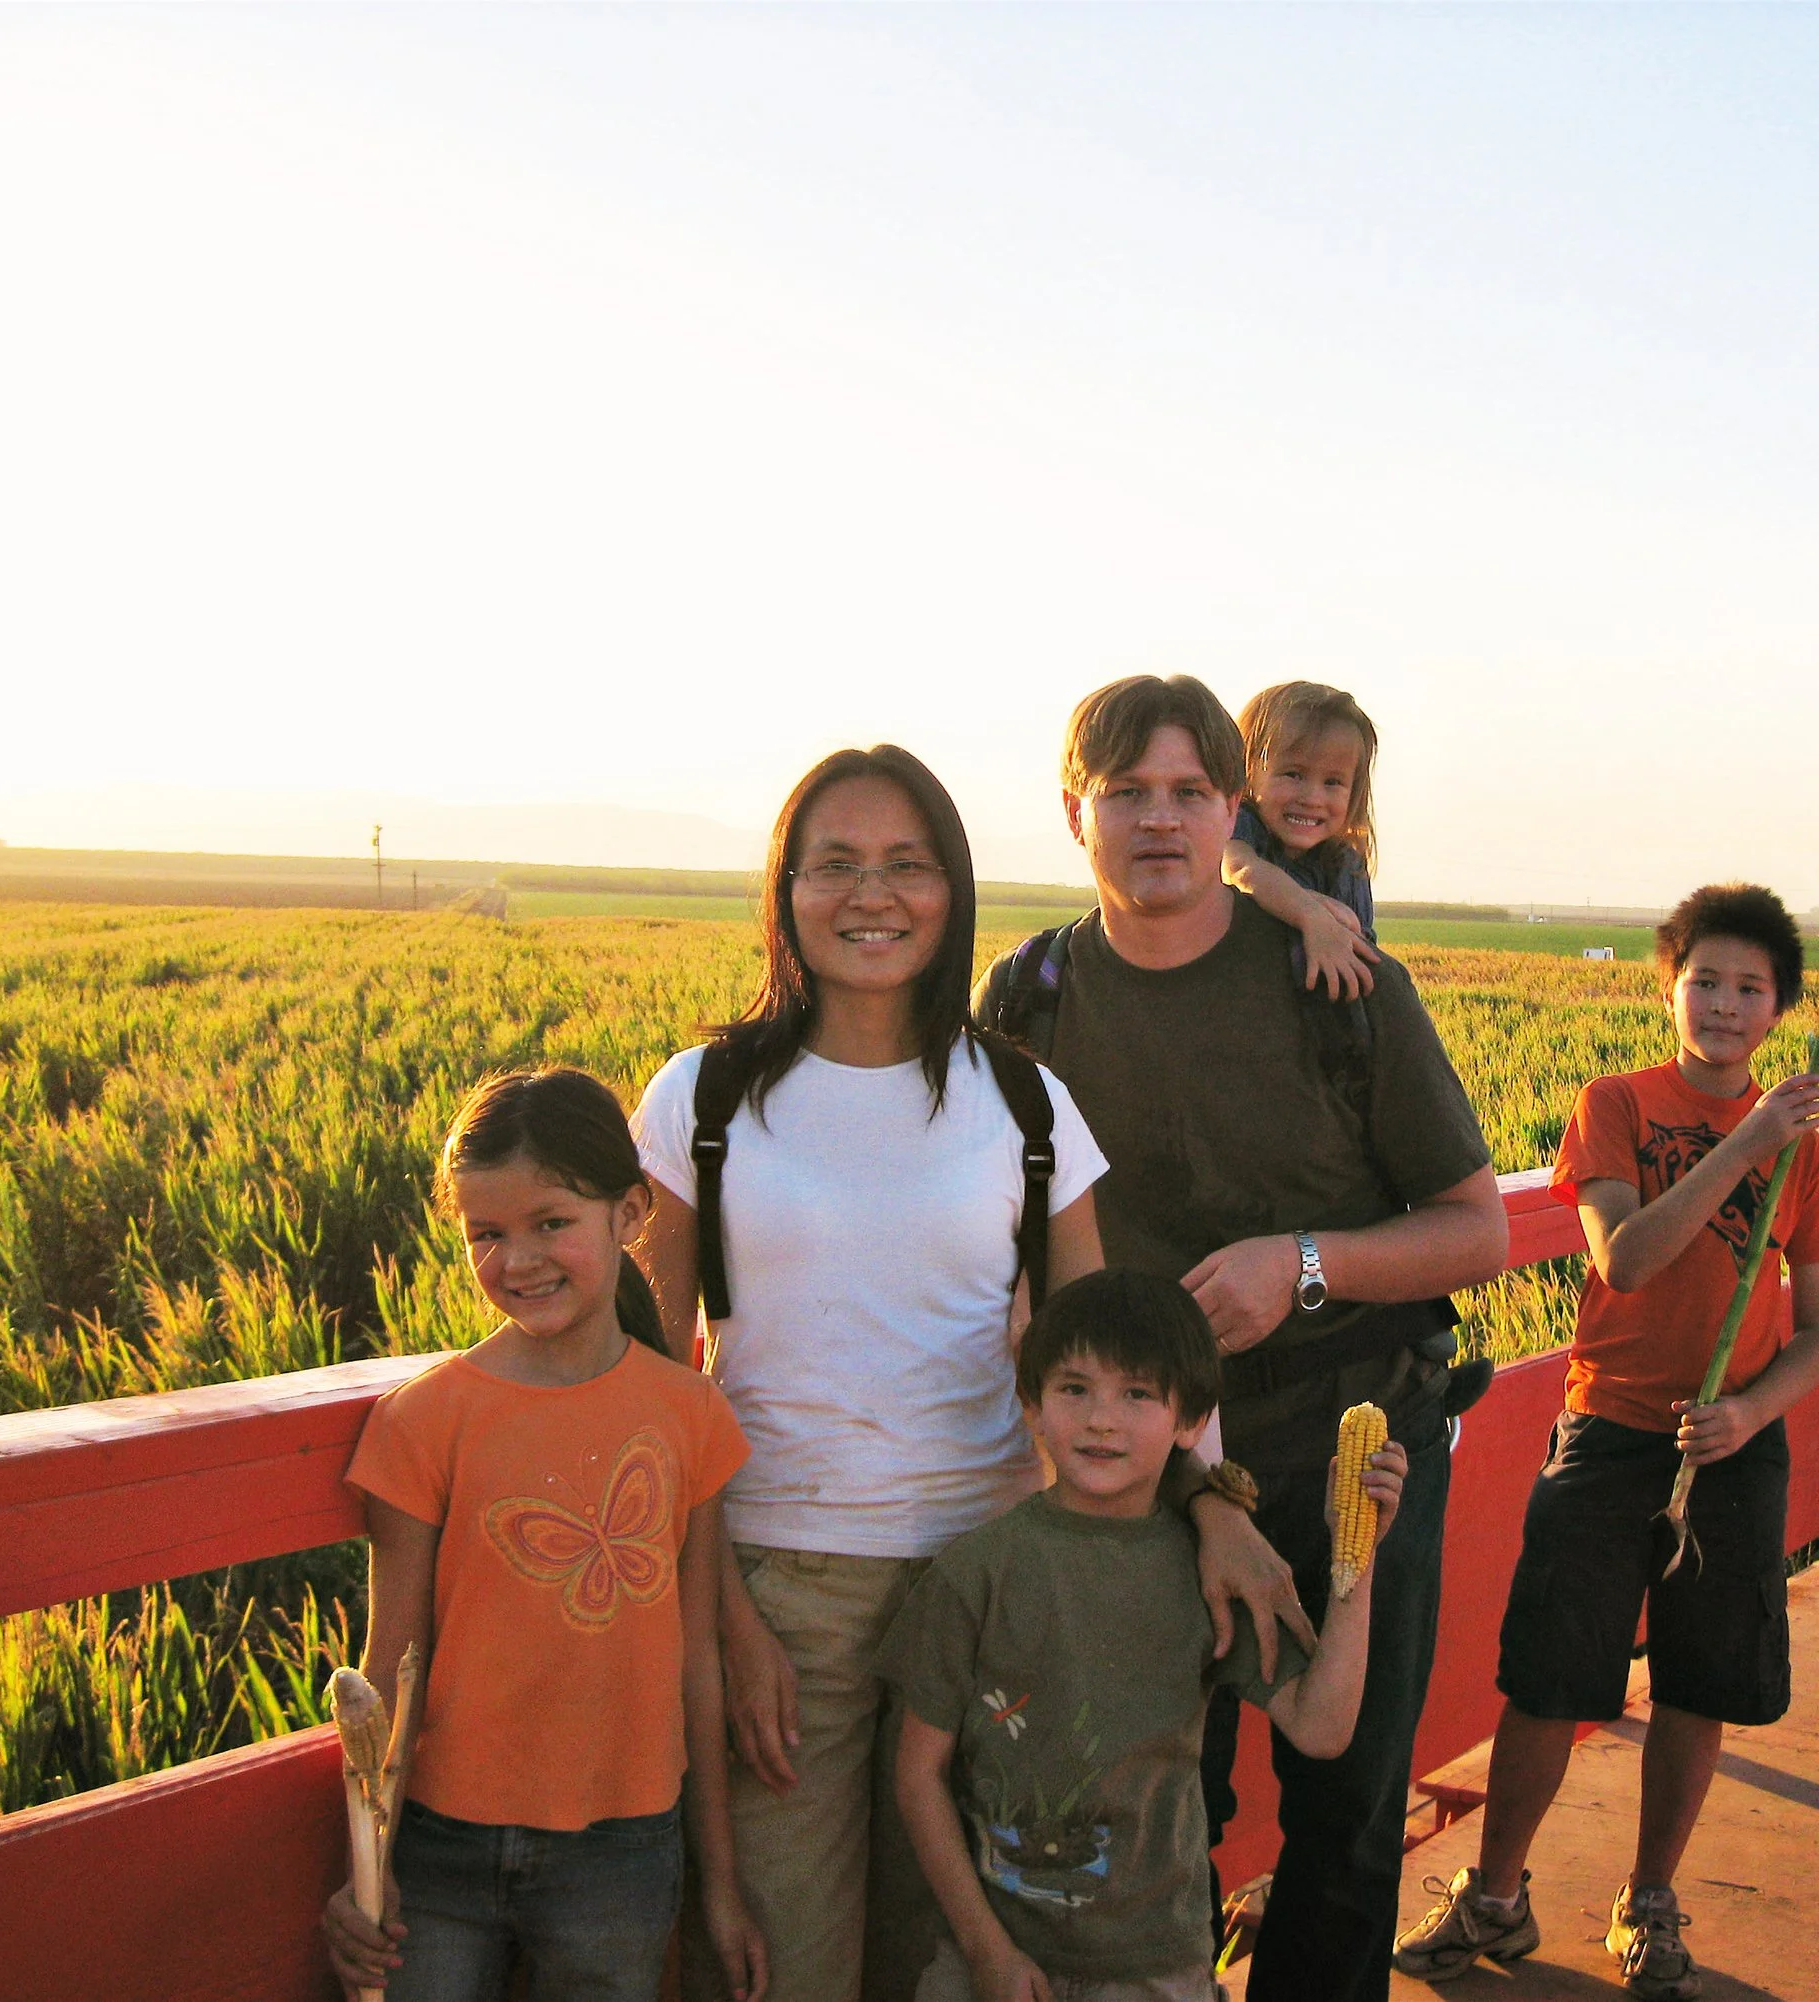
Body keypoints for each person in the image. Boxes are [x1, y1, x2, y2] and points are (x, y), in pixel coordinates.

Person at [629, 745, 1310, 2002]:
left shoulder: (1025, 1104)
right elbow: (652, 1388)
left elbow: (1114, 1354)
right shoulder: (703, 1098)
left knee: (973, 1961)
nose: (870, 894)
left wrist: (1212, 1505)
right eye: (833, 864)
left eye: (907, 864)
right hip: (784, 1591)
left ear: (953, 891)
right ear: (783, 890)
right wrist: (724, 1615)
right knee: (790, 1966)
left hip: (1006, 1584)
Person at [978, 675, 1510, 2002]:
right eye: (1127, 793)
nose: (1159, 820)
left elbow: (1476, 1229)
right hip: (1131, 1464)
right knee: (1151, 1795)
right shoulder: (1028, 999)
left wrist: (1306, 1266)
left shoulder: (1338, 983)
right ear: (1071, 810)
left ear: (1233, 809)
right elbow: (992, 1245)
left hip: (1350, 1437)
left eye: (1189, 792)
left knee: (1344, 1807)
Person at [1392, 884, 1819, 2000]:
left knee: (1696, 1684)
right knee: (1552, 1676)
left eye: (1751, 987)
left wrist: (1750, 1412)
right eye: (1704, 980)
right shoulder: (1617, 1107)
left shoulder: (1810, 1159)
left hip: (1729, 1444)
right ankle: (1497, 1895)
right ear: (1668, 987)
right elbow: (1626, 1259)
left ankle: (1650, 1897)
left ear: (1779, 1007)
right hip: (1608, 1430)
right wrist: (1747, 1138)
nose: (1725, 1004)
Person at [320, 1067, 767, 2002]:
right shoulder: (425, 1421)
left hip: (626, 1848)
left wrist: (719, 1888)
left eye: (551, 1222)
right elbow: (388, 1665)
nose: (517, 1260)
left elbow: (698, 1663)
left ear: (631, 1214)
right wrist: (368, 1870)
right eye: (487, 1234)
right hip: (440, 1845)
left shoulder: (691, 1417)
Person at [883, 1269, 1406, 2002]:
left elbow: (1321, 1727)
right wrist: (985, 1948)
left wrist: (1358, 1560)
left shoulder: (1210, 1572)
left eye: (1137, 1394)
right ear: (1032, 1405)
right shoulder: (977, 1572)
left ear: (1191, 1421)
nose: (1102, 1419)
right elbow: (917, 1776)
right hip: (992, 1959)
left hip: (1156, 1965)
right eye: (1074, 1389)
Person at [1222, 680, 1382, 1004]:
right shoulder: (1241, 825)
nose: (1312, 798)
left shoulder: (1346, 867)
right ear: (1248, 769)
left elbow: (1365, 957)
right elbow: (1239, 870)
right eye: (1293, 774)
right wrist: (1312, 916)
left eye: (1333, 782)